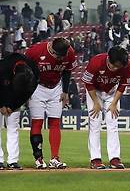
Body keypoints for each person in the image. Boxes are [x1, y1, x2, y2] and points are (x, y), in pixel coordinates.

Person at [25, 37, 77, 169]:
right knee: (37, 121)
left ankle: (55, 158)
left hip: (56, 87)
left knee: (55, 122)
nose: (61, 59)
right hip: (37, 87)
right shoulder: (35, 51)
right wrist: (26, 91)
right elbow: (25, 71)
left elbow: (67, 71)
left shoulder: (69, 52)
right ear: (52, 51)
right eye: (59, 56)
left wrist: (65, 91)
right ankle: (39, 158)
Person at [81, 46, 130, 169]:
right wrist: (96, 102)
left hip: (112, 92)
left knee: (113, 122)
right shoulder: (96, 62)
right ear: (108, 59)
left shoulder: (126, 66)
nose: (116, 69)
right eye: (114, 65)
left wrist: (114, 103)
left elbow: (123, 84)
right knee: (95, 122)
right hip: (95, 92)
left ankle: (114, 158)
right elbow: (88, 83)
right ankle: (95, 159)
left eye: (118, 67)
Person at [0, 52, 39, 170]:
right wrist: (0, 105)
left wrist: (13, 105)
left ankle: (13, 161)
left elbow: (28, 92)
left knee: (13, 128)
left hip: (16, 98)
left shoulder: (34, 71)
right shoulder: (1, 68)